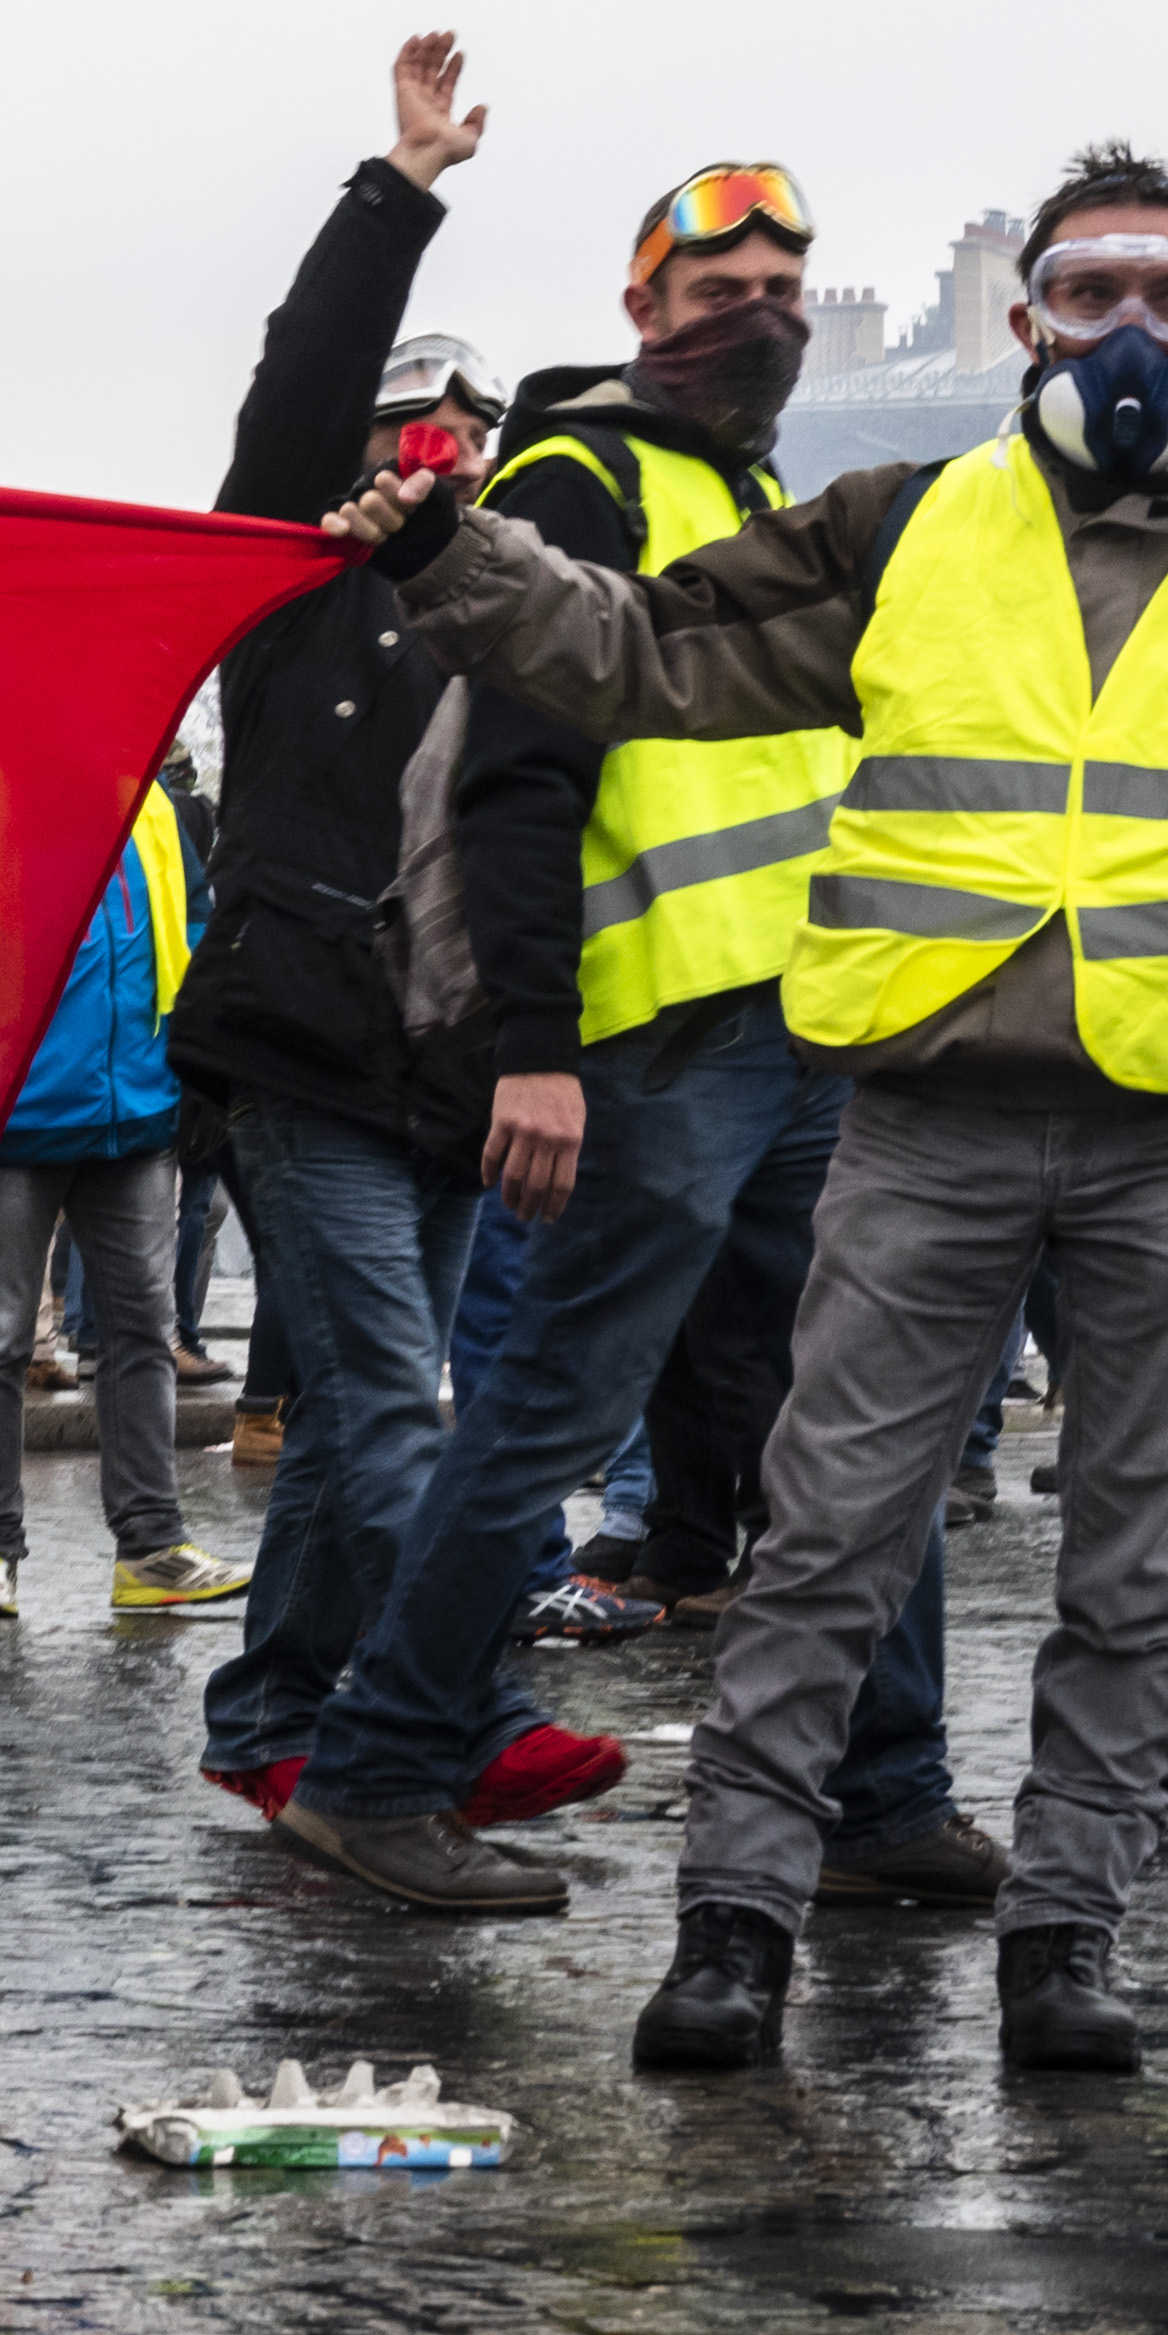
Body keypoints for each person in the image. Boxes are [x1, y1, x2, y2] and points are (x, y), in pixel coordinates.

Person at [360, 142, 1168, 2076]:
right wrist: (441, 555)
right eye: (1084, 290)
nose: (1128, 332)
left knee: (1140, 1566)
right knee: (824, 1531)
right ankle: (734, 1928)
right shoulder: (899, 524)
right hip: (924, 1113)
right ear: (1024, 316)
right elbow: (634, 651)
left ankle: (1066, 1936)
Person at [285, 161, 994, 1911]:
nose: (757, 301)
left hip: (799, 1013)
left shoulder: (746, 484)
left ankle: (881, 1786)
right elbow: (516, 775)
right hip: (659, 1024)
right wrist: (533, 1037)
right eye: (717, 277)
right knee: (540, 1415)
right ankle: (376, 1765)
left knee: (865, 1410)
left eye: (782, 275)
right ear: (637, 304)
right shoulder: (579, 478)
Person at [156, 42, 514, 1825]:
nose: (420, 460)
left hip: (442, 1065)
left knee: (359, 1418)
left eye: (456, 440)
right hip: (300, 1049)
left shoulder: (501, 620)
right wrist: (399, 190)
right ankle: (466, 1701)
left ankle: (267, 1706)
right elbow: (293, 388)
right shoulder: (279, 597)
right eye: (398, 433)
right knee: (389, 1390)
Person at [0, 769, 238, 1625]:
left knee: (141, 1333)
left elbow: (193, 933)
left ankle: (149, 1547)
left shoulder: (152, 807)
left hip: (135, 1117)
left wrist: (190, 1077)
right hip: (18, 1121)